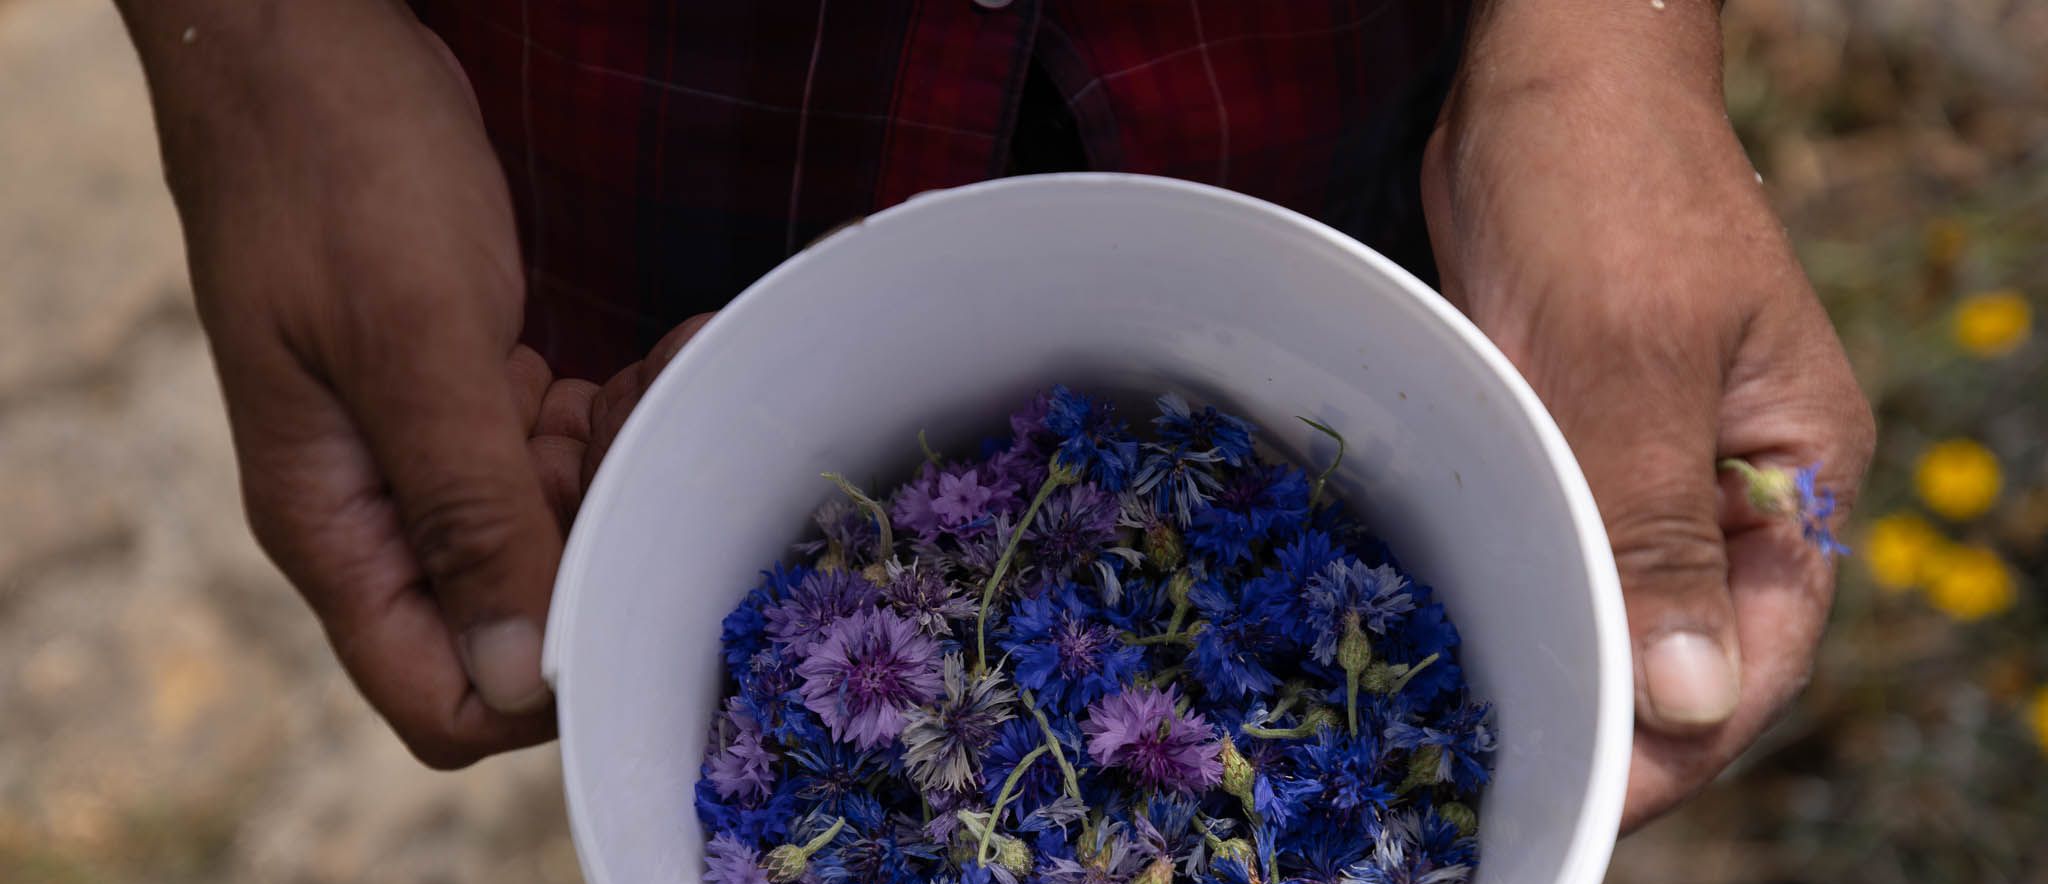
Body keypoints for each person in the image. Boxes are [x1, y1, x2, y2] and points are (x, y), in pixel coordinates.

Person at [115, 0, 1871, 830]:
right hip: (657, 112)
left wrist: (1603, 52)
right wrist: (257, 45)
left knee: (1336, 499)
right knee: (683, 570)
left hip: (1313, 86)